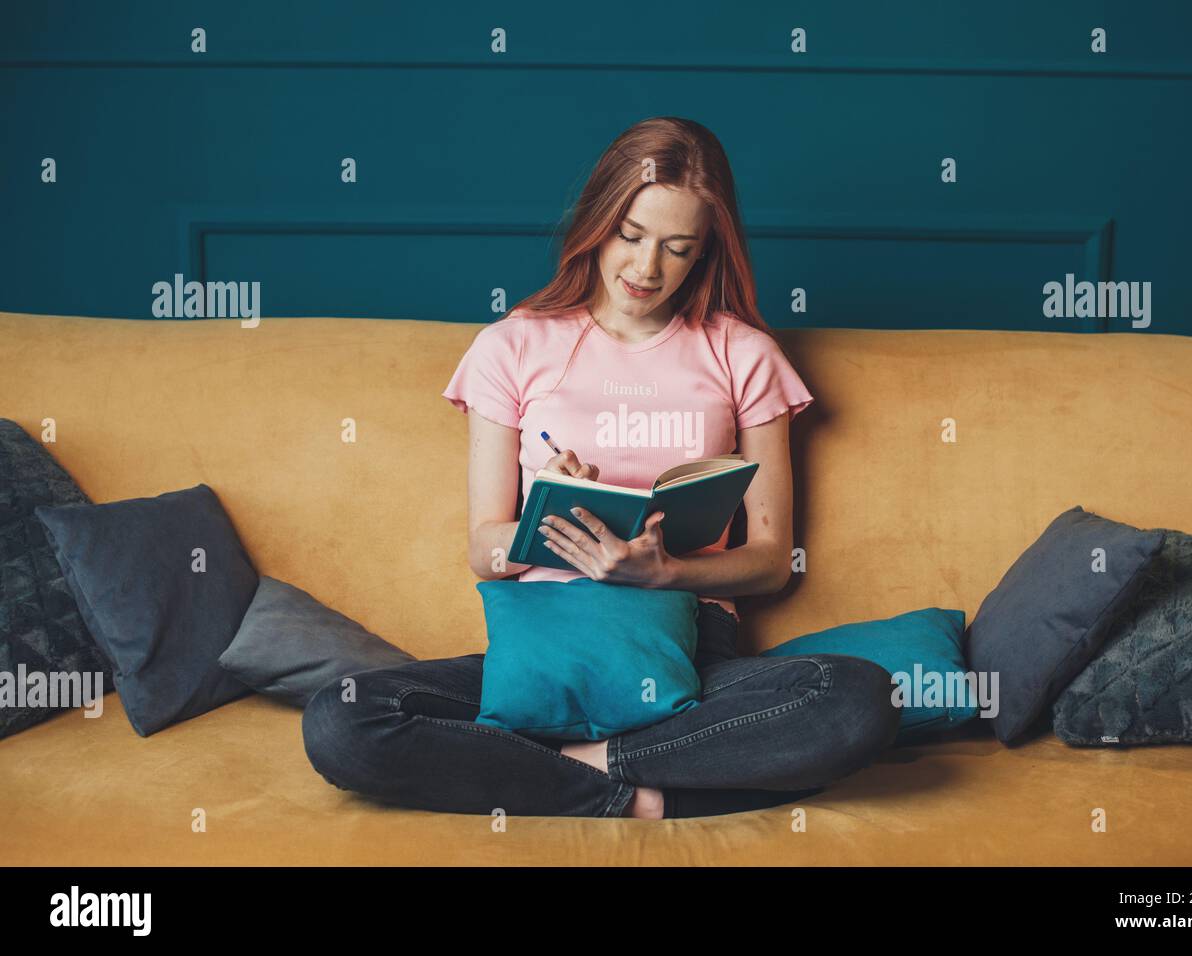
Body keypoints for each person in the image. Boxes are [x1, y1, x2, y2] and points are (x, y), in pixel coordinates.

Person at [302, 117, 899, 818]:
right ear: (597, 221)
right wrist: (546, 514)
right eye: (631, 236)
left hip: (691, 652)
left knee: (857, 700)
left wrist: (666, 572)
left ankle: (563, 773)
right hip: (544, 646)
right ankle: (656, 795)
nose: (647, 270)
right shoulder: (512, 346)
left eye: (678, 249)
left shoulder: (745, 356)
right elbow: (483, 551)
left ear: (706, 251)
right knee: (343, 721)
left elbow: (772, 561)